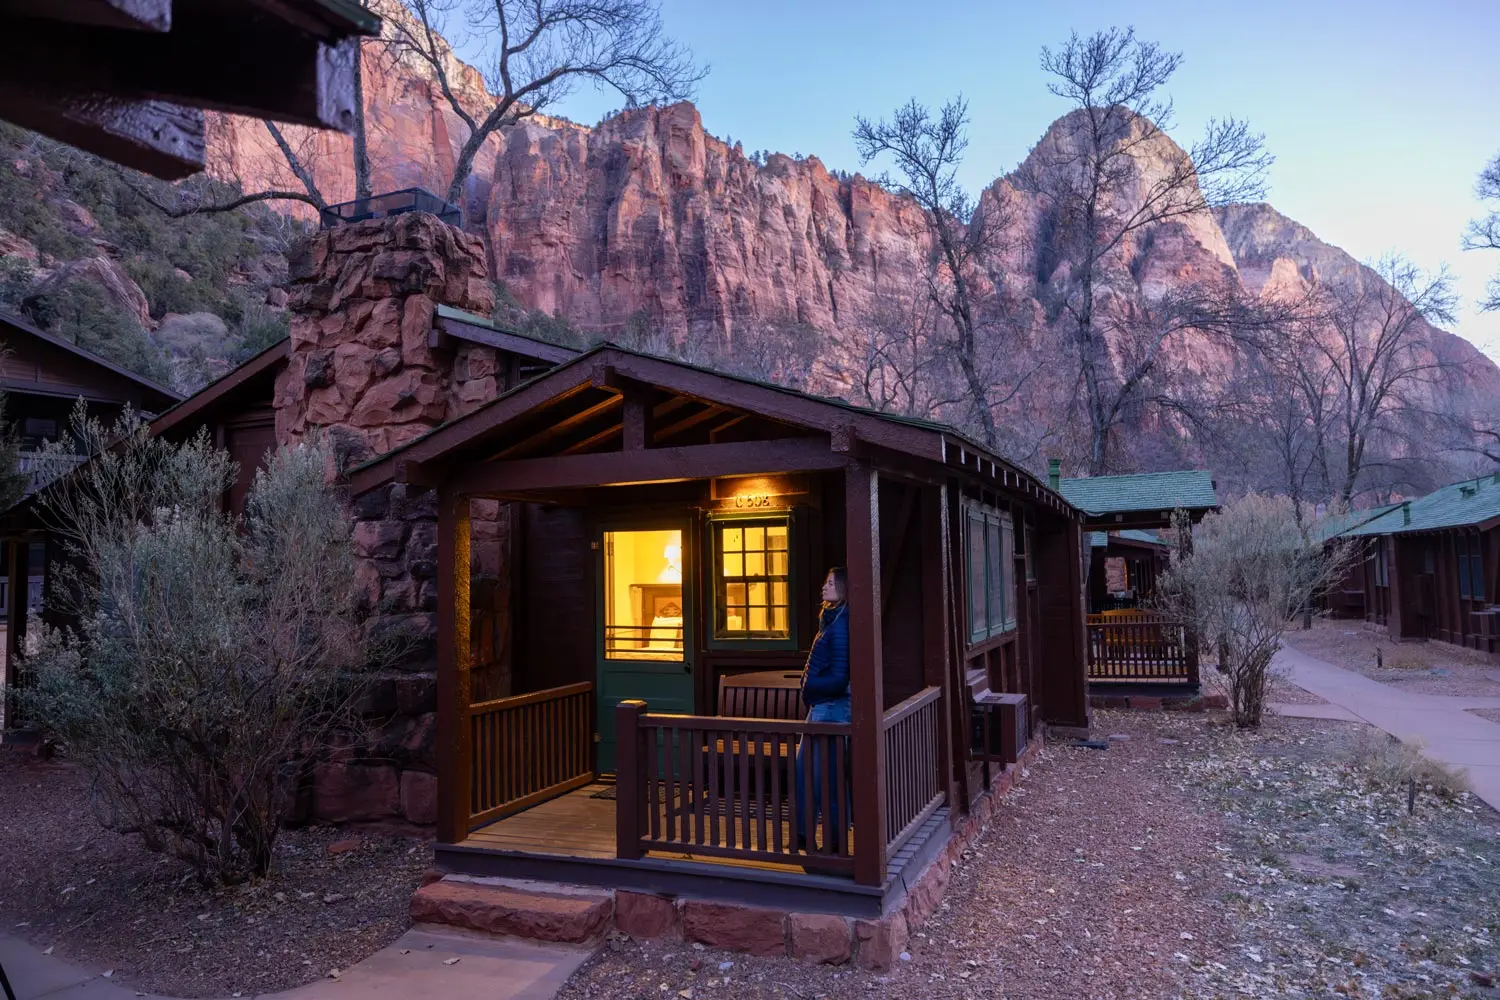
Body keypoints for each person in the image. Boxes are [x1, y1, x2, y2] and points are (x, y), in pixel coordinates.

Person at [796, 566, 850, 853]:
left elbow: (841, 677)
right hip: (819, 707)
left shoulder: (842, 624)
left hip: (832, 709)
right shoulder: (830, 619)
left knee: (825, 778)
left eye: (829, 583)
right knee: (803, 770)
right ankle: (803, 835)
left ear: (842, 587)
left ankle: (835, 839)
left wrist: (811, 685)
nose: (824, 587)